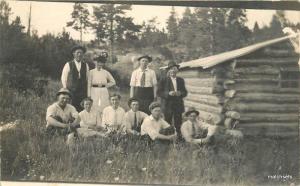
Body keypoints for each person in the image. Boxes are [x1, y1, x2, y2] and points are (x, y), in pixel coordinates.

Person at [158, 61, 187, 139]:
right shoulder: (163, 80)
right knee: (167, 122)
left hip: (178, 105)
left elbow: (185, 92)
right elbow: (159, 92)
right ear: (168, 70)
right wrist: (168, 94)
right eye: (171, 69)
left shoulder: (180, 80)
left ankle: (179, 137)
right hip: (167, 105)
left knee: (178, 122)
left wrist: (180, 93)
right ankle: (168, 138)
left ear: (177, 70)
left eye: (175, 68)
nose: (173, 70)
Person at [61, 45, 89, 112]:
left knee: (82, 108)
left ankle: (80, 122)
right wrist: (65, 89)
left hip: (82, 92)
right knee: (71, 108)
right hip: (72, 92)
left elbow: (87, 78)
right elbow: (63, 78)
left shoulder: (86, 65)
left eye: (81, 53)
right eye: (77, 53)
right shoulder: (68, 64)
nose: (79, 55)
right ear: (74, 54)